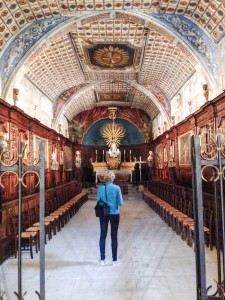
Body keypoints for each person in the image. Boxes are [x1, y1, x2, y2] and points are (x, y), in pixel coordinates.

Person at [96, 170, 123, 266]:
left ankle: (102, 259)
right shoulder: (116, 188)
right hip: (114, 213)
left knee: (103, 235)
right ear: (113, 178)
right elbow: (120, 203)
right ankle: (114, 260)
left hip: (103, 213)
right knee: (114, 236)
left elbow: (98, 201)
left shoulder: (100, 188)